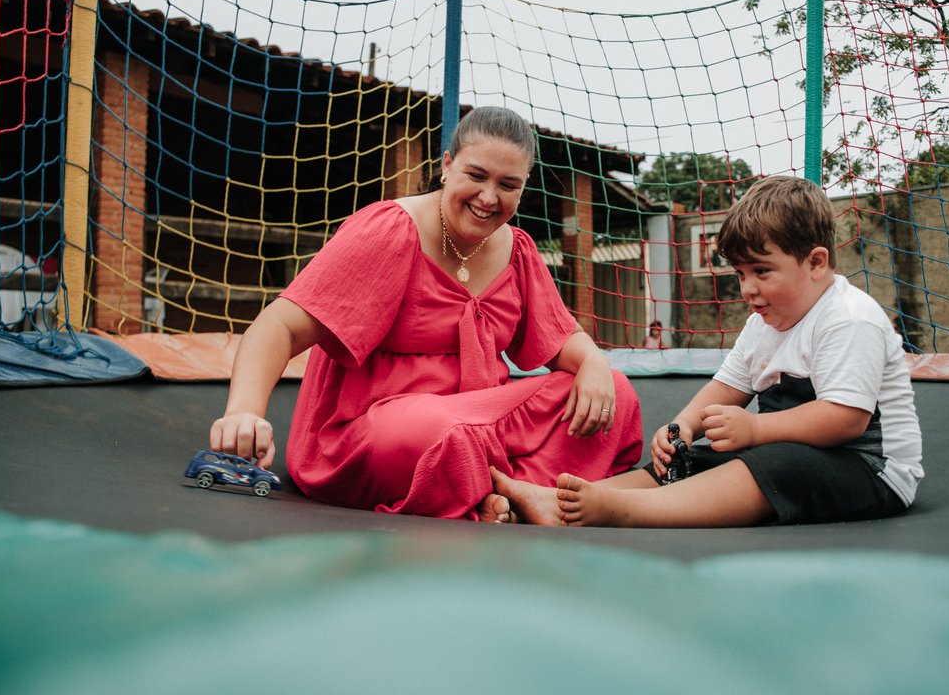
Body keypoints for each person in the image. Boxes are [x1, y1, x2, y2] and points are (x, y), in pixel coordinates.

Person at [209, 106, 642, 522]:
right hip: (382, 431)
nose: (489, 198)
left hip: (476, 421)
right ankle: (507, 488)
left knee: (615, 393)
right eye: (476, 175)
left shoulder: (518, 251)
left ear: (524, 186)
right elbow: (279, 325)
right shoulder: (390, 231)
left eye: (508, 185)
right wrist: (244, 411)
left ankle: (507, 495)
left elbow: (565, 340)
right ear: (447, 165)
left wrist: (595, 363)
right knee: (438, 432)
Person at [494, 175, 923, 527]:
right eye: (740, 273)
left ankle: (619, 512)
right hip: (791, 451)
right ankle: (557, 502)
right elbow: (727, 387)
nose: (747, 288)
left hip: (869, 469)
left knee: (778, 465)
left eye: (762, 271)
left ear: (815, 262)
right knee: (694, 461)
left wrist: (755, 431)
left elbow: (846, 419)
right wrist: (682, 427)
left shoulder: (848, 319)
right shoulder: (763, 323)